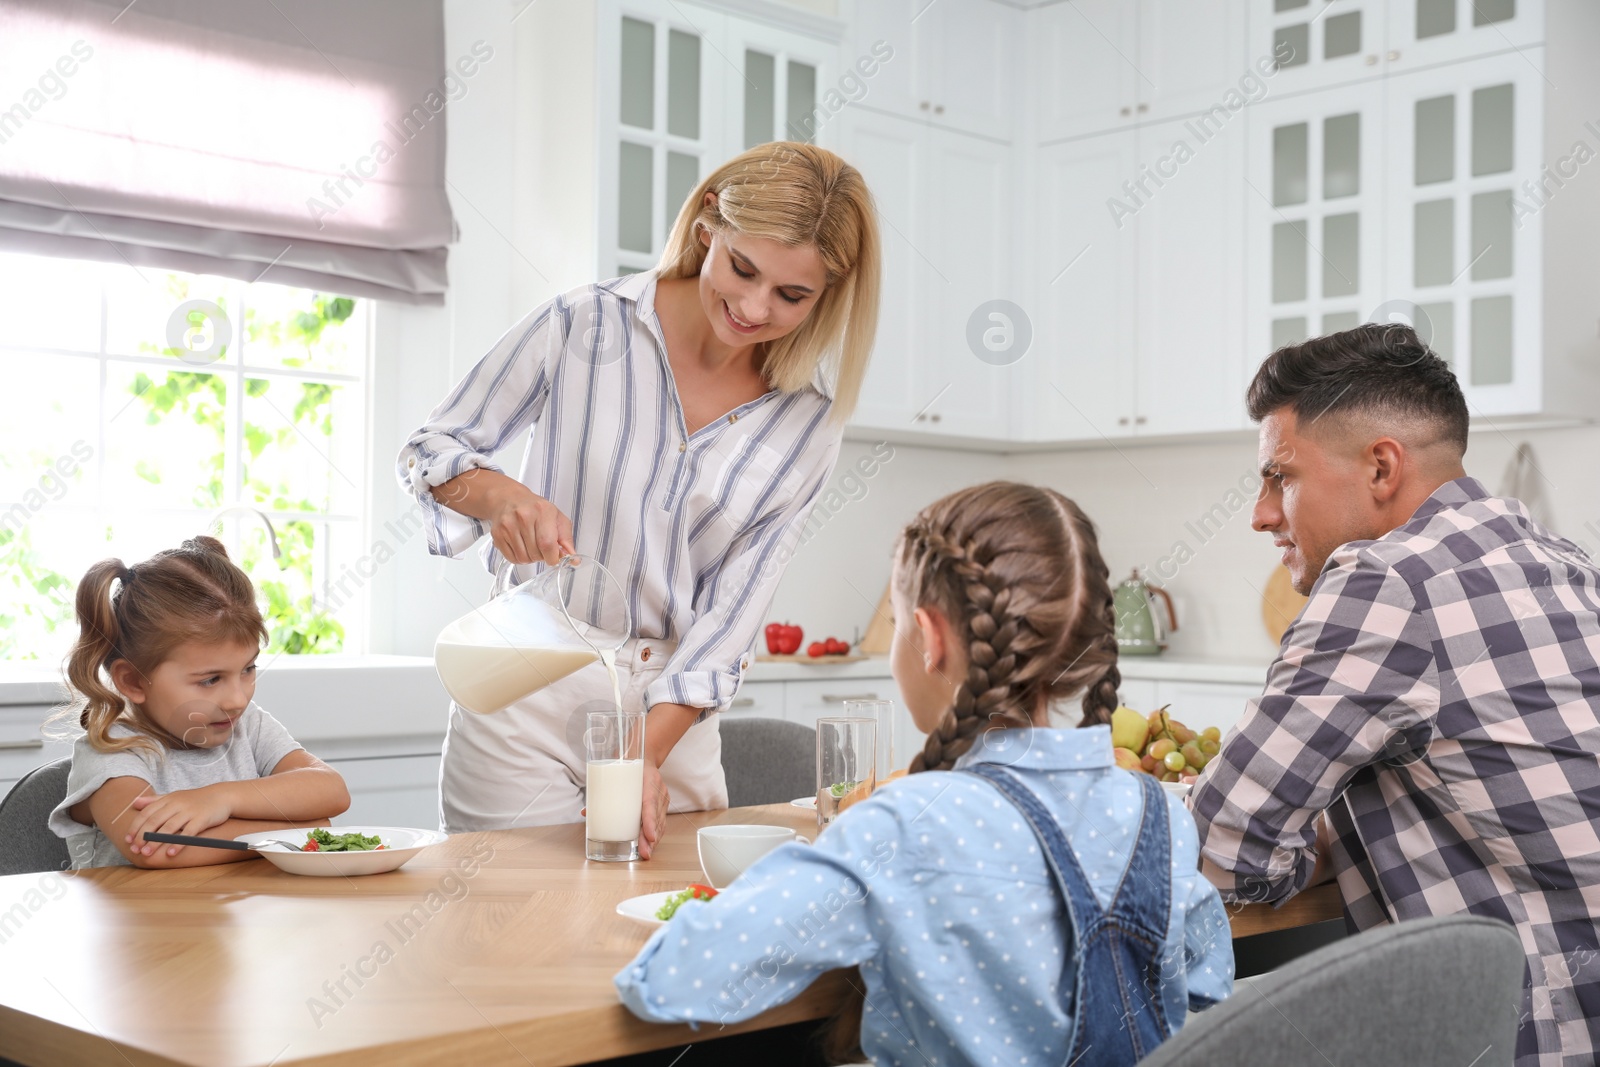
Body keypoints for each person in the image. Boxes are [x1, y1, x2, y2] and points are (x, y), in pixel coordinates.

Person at [615, 482, 1233, 1065]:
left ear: (928, 637)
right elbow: (1206, 989)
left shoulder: (904, 824)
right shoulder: (1161, 815)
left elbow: (672, 980)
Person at [397, 142, 880, 855]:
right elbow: (430, 448)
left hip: (671, 716)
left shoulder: (807, 426)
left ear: (829, 296)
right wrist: (499, 496)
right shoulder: (582, 325)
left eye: (792, 294)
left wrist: (645, 753)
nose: (753, 306)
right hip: (529, 680)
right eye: (743, 269)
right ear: (707, 226)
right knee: (510, 932)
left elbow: (732, 617)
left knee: (660, 929)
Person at [1189, 324, 1600, 1066]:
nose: (1260, 513)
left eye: (1279, 476)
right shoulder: (1563, 561)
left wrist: (1290, 843)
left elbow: (1222, 847)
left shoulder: (1390, 580)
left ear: (1381, 467)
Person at [47, 537, 350, 869]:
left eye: (248, 669)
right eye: (210, 679)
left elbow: (332, 791)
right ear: (133, 681)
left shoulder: (247, 725)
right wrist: (301, 829)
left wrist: (222, 798)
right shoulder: (112, 752)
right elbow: (156, 847)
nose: (238, 699)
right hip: (145, 921)